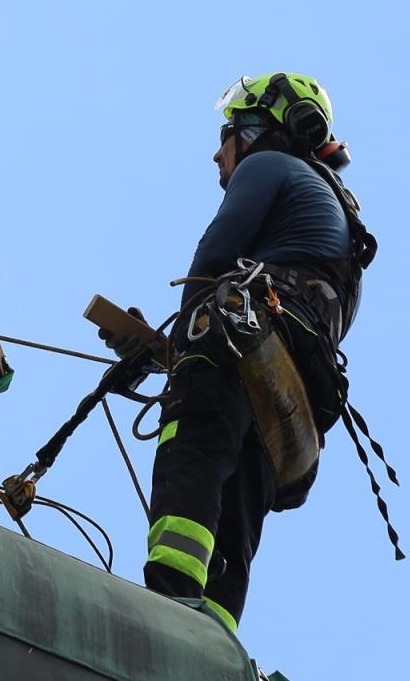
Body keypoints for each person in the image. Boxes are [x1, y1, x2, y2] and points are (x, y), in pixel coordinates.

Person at [131, 72, 376, 633]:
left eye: (227, 135)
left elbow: (214, 256)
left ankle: (166, 605)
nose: (218, 154)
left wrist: (181, 351)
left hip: (242, 339)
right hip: (294, 387)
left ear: (259, 130)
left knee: (193, 445)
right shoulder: (338, 225)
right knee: (239, 510)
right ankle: (212, 637)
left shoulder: (268, 167)